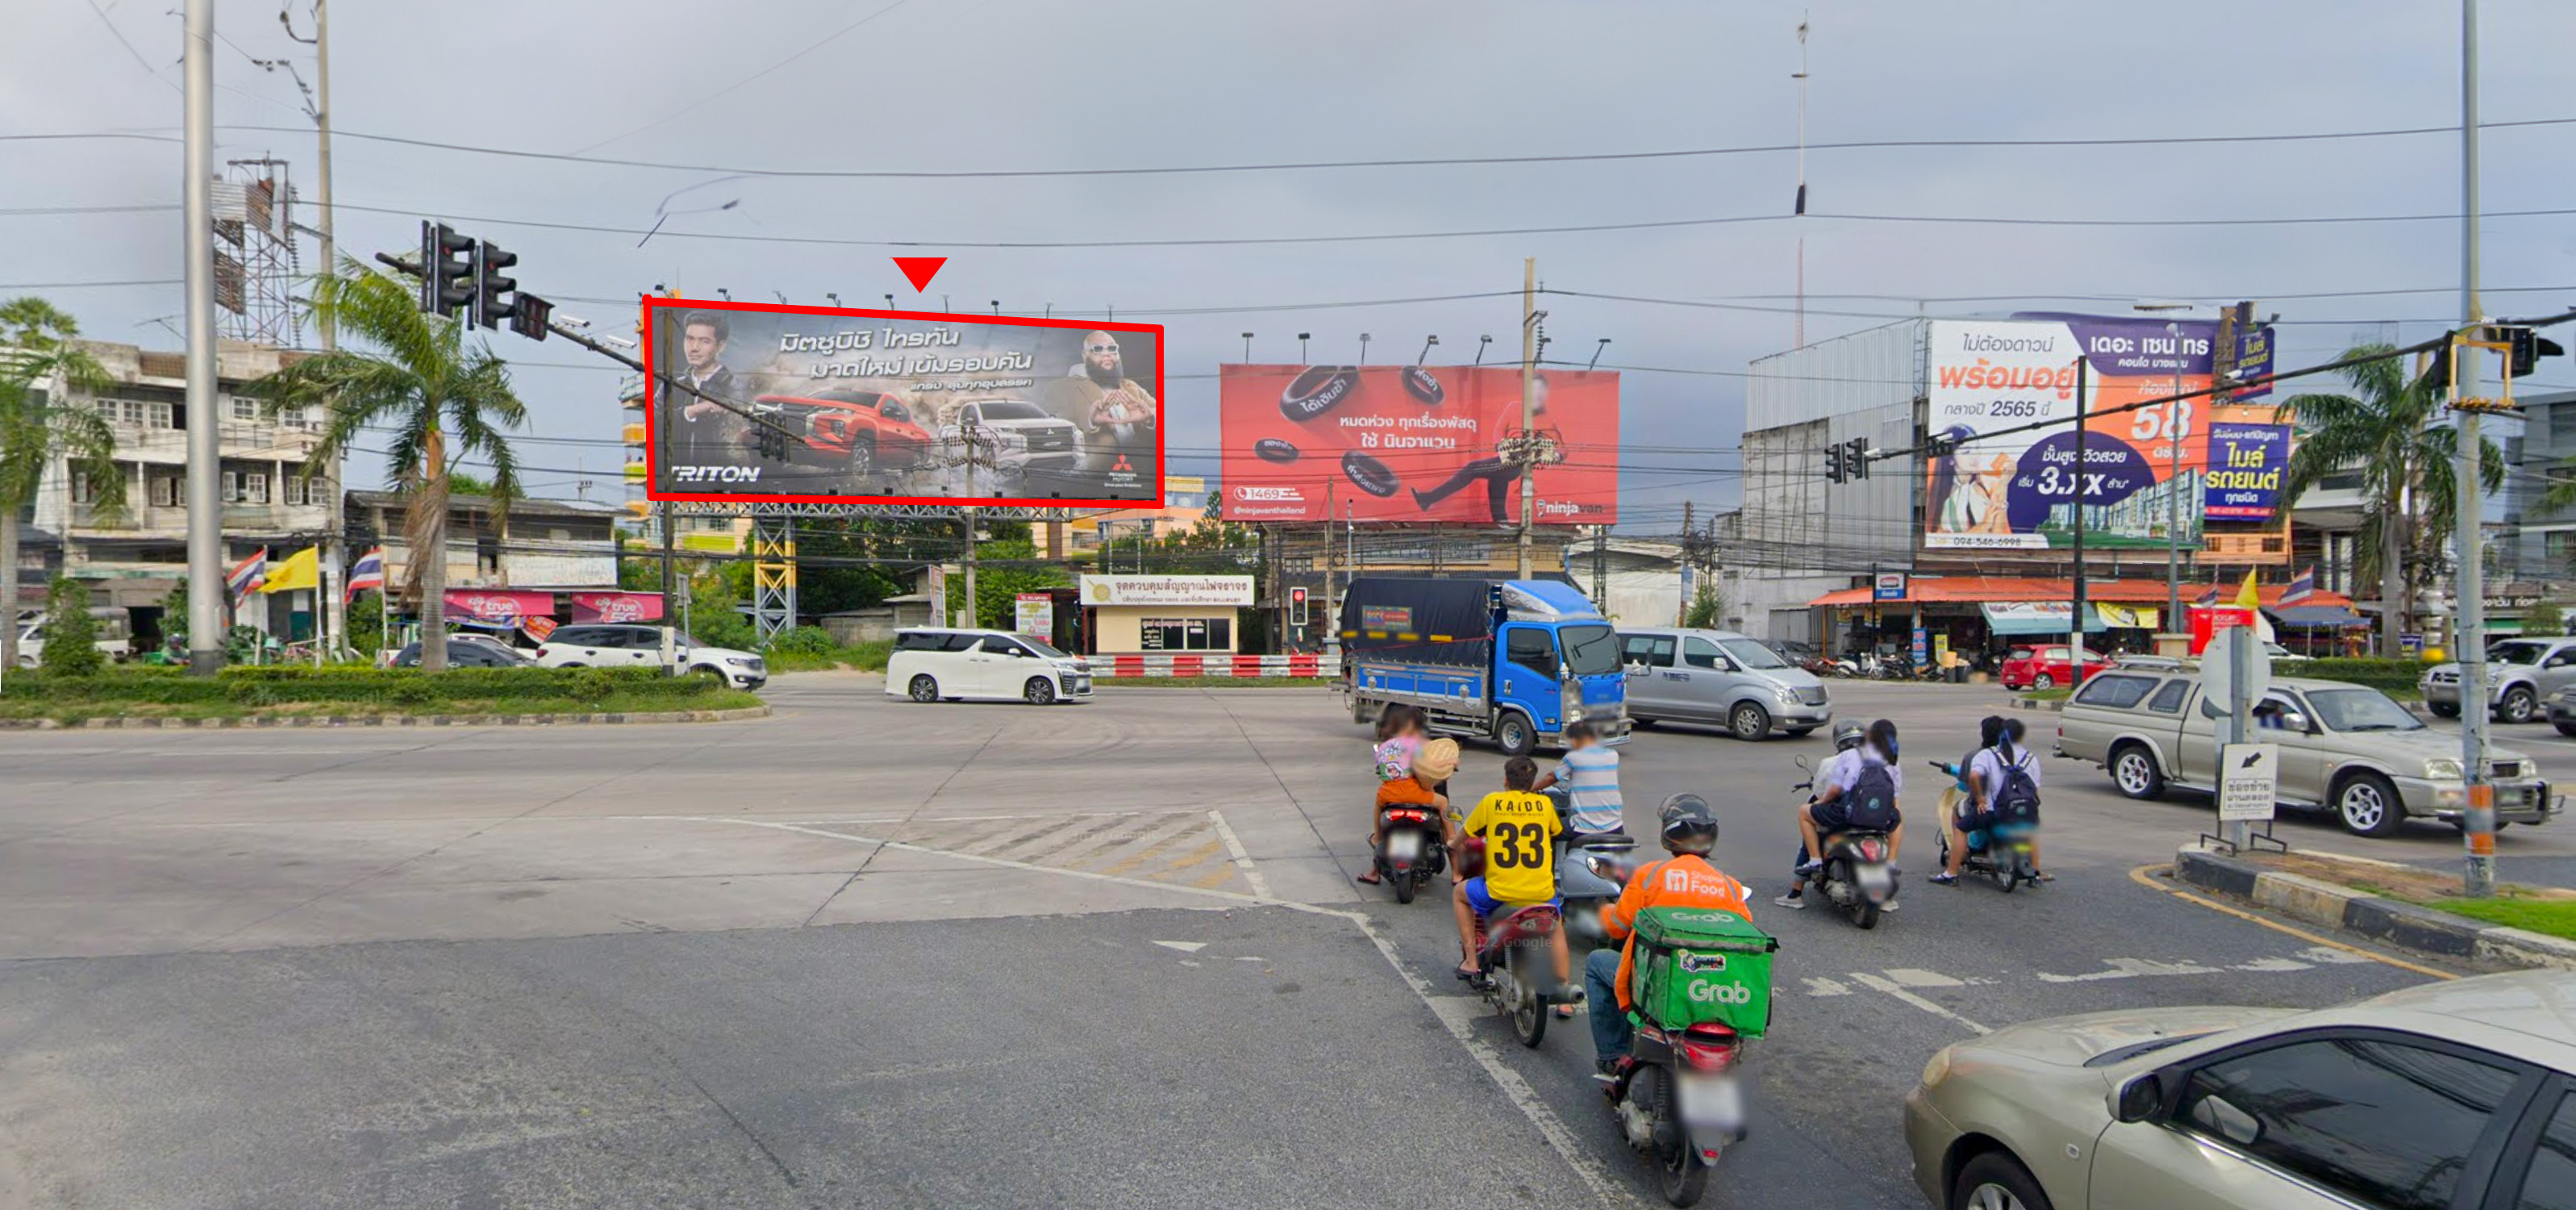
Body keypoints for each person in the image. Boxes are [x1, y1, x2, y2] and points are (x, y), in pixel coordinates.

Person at [1587, 794, 1753, 1076]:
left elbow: (1617, 927)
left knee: (1596, 962)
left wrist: (1603, 910)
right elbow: (1745, 937)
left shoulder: (1650, 876)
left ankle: (1611, 1054)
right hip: (1713, 987)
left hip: (1657, 983)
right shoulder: (1729, 886)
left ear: (1669, 834)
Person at [1451, 757, 1567, 990]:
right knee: (1557, 928)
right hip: (1541, 893)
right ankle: (1565, 993)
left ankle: (1472, 961)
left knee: (1459, 894)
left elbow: (1467, 832)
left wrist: (1453, 843)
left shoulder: (1492, 802)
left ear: (1506, 780)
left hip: (1499, 891)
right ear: (1532, 781)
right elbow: (1556, 830)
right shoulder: (1544, 805)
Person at [1786, 718, 1906, 910]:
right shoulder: (1892, 759)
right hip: (1879, 818)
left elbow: (1833, 790)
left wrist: (1821, 801)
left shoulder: (1848, 756)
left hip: (1847, 814)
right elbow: (1894, 799)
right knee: (1899, 817)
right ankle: (1891, 863)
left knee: (1804, 813)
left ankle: (1813, 865)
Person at [1410, 373, 1552, 523]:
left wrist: (1534, 454)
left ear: (1545, 393)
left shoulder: (1546, 419)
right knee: (1497, 483)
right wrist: (1504, 448)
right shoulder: (1515, 407)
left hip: (1517, 465)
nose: (1536, 394)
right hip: (1505, 459)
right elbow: (1498, 431)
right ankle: (1501, 523)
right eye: (1533, 389)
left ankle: (1429, 498)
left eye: (1540, 389)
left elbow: (1557, 447)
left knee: (1473, 469)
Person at [1937, 716, 2049, 885]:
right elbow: (2035, 789)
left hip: (1992, 811)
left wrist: (1981, 798)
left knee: (1960, 825)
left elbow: (1969, 780)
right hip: (2021, 811)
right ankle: (2035, 875)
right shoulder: (2030, 758)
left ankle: (1951, 873)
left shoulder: (1985, 755)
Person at [1043, 330, 1158, 484]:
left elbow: (1165, 419)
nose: (1106, 354)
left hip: (1139, 478)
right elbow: (1052, 430)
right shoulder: (1061, 388)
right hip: (1088, 479)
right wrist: (1091, 421)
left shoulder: (1131, 387)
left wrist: (1149, 417)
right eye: (1098, 349)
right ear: (1085, 355)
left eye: (1112, 349)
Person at [669, 311, 744, 472]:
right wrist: (693, 411)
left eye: (704, 341)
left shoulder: (735, 388)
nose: (694, 348)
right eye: (690, 339)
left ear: (721, 346)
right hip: (676, 479)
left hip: (726, 480)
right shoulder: (673, 386)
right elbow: (655, 423)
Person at [1534, 720, 1623, 841]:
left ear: (1576, 740)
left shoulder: (1573, 757)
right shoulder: (1613, 755)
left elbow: (1551, 777)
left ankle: (1554, 860)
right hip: (1616, 827)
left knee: (1545, 828)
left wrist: (1530, 789)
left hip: (1583, 829)